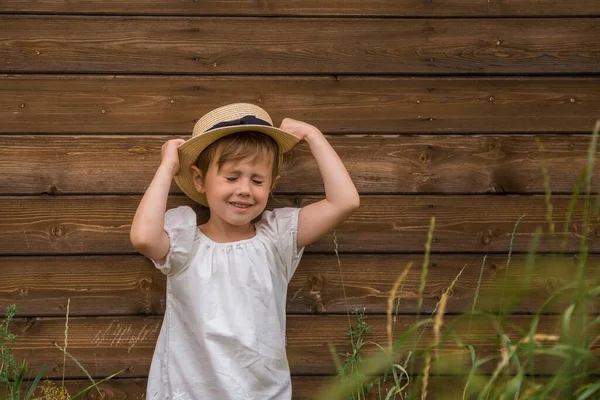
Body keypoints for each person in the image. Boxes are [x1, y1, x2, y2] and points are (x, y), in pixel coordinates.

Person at [130, 103, 360, 399]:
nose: (244, 189)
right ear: (200, 180)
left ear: (272, 184)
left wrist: (313, 136)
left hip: (261, 393)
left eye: (257, 180)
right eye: (231, 177)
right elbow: (143, 238)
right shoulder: (185, 244)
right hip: (188, 391)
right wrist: (167, 167)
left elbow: (345, 201)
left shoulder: (277, 239)